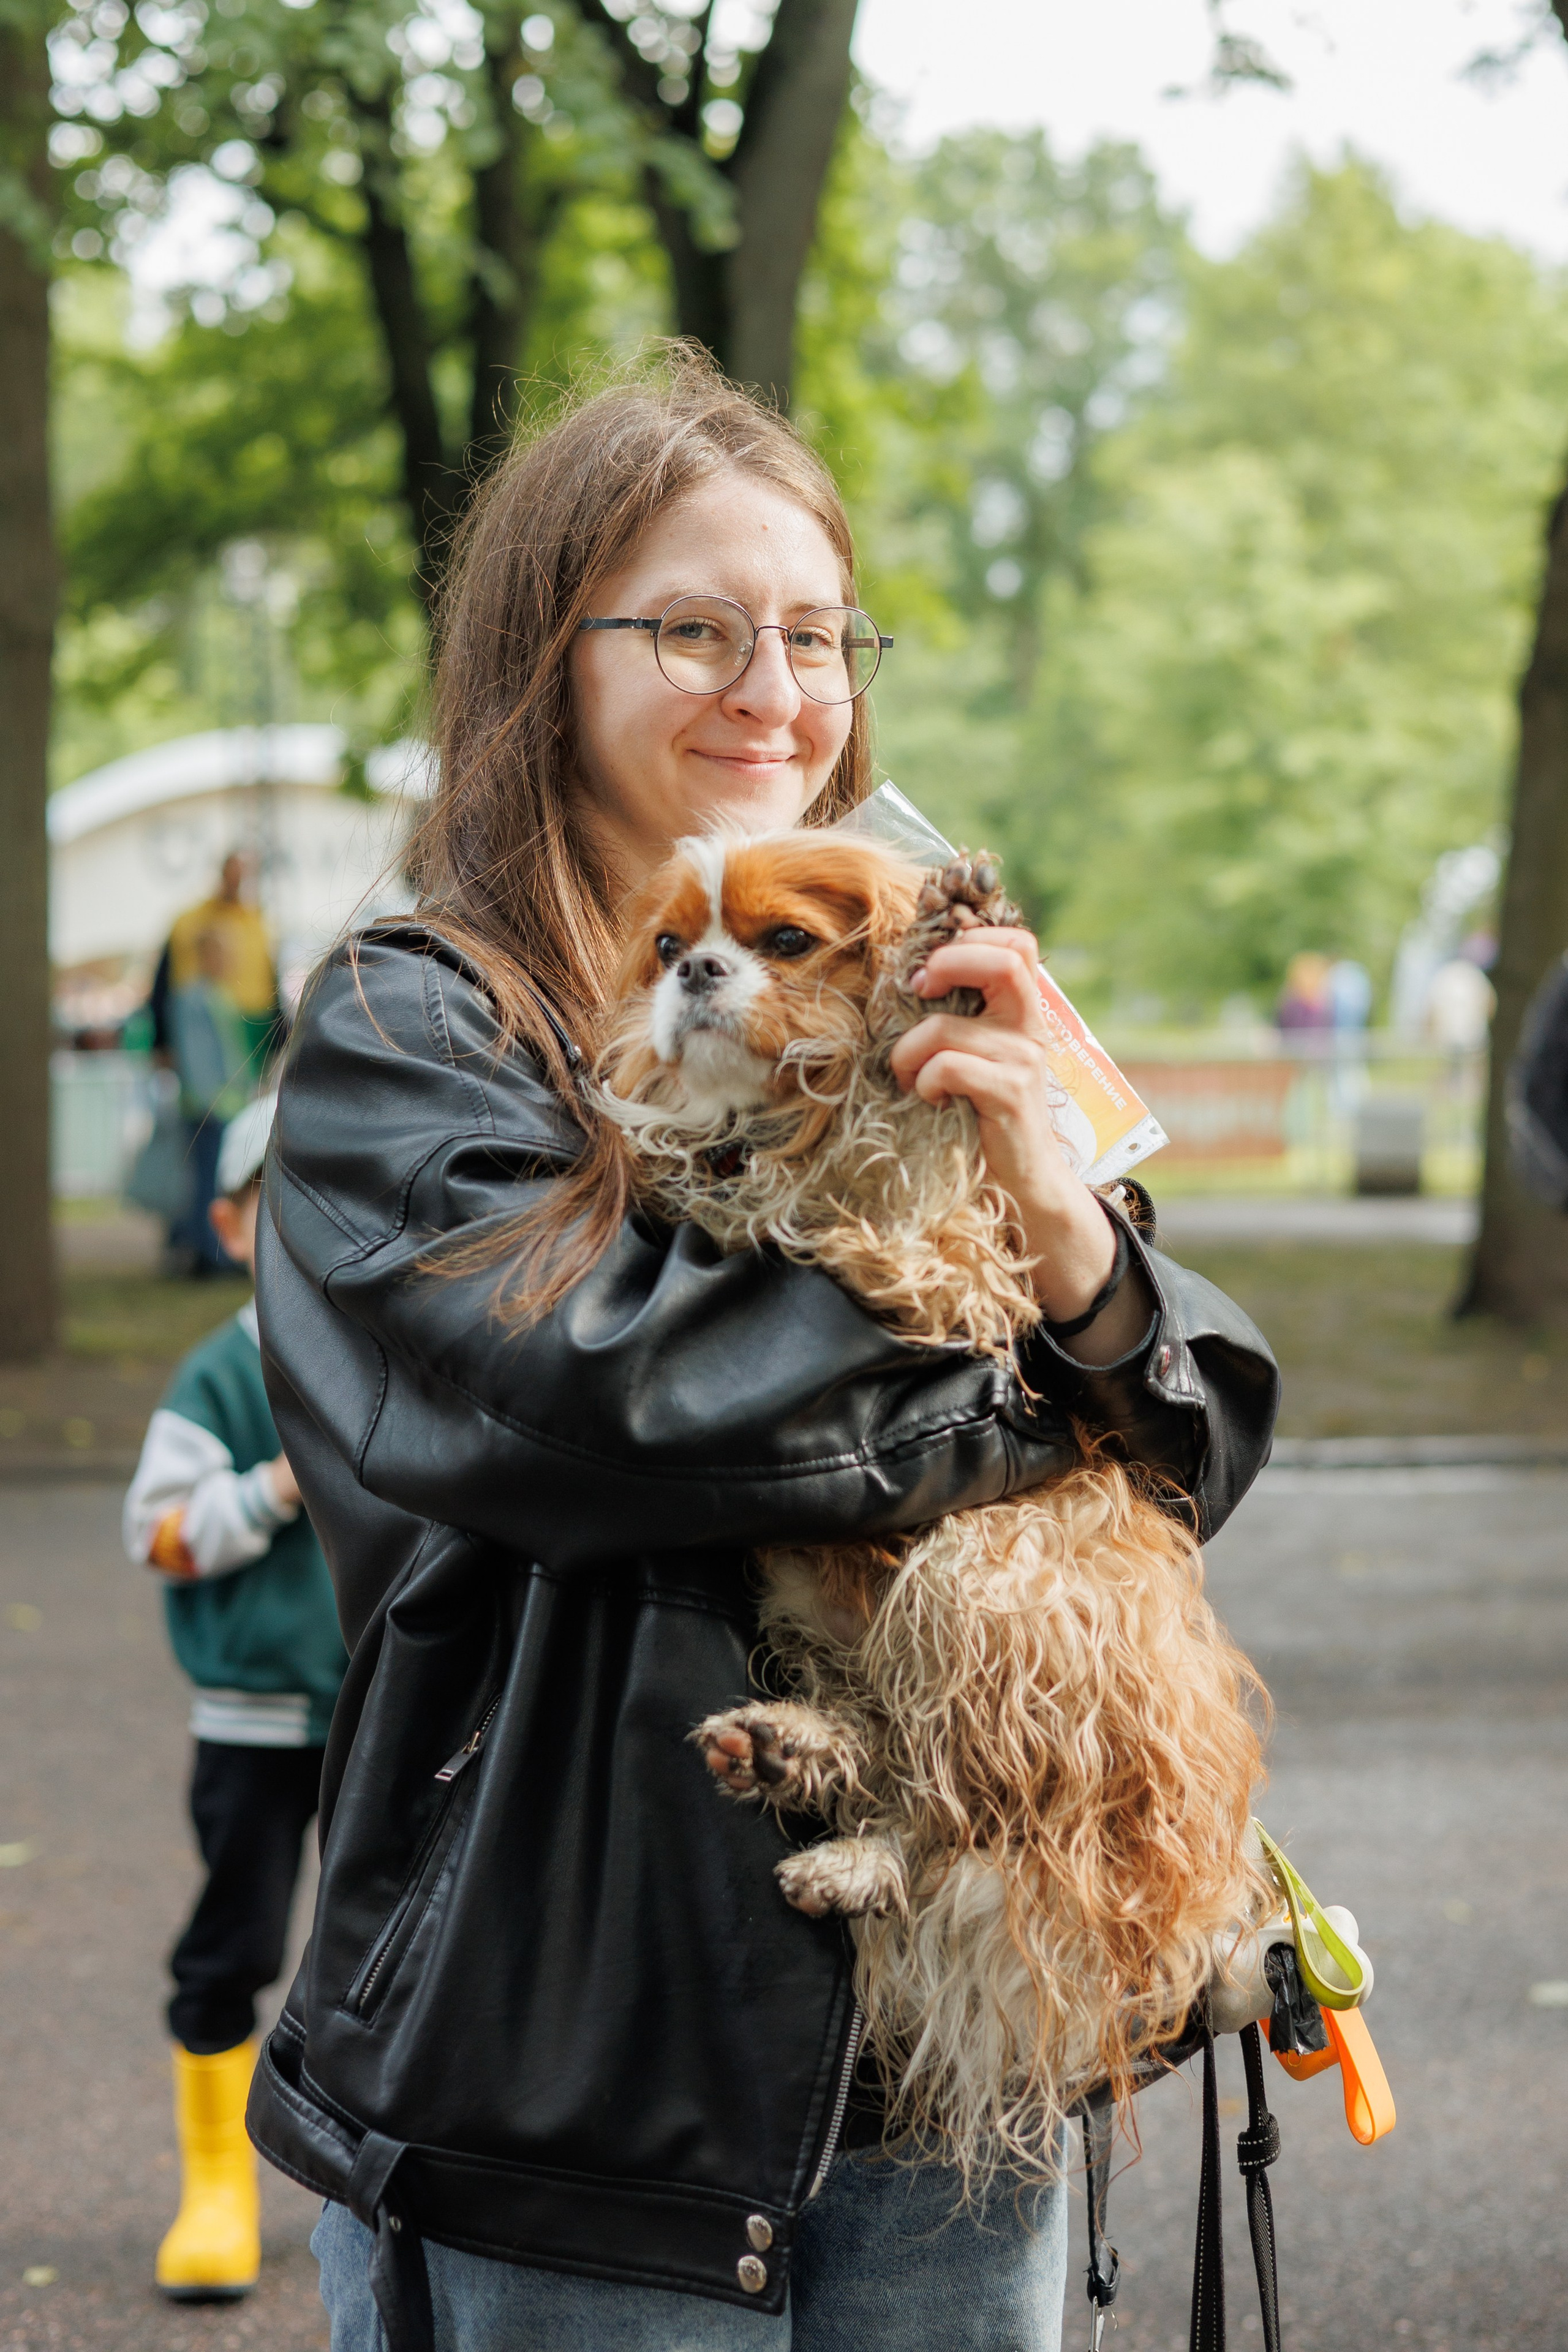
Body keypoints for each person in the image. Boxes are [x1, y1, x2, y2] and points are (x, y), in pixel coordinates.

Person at [247, 354, 1280, 2352]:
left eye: (815, 634)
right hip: (580, 2067)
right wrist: (1049, 1374)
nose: (777, 691)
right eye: (701, 630)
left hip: (947, 2062)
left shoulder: (918, 958)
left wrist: (1070, 1238)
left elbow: (1203, 1415)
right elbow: (624, 1408)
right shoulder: (419, 1023)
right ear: (552, 655)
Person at [124, 1091, 347, 2301]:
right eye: (282, 1206)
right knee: (236, 1945)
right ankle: (216, 2182)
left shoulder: (394, 1352)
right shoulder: (219, 1374)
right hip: (255, 1721)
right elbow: (153, 1532)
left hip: (381, 1718)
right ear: (229, 1225)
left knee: (376, 1958)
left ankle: (364, 2182)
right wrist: (266, 1493)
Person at [148, 855, 284, 1275]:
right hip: (210, 1095)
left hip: (229, 1089)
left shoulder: (257, 928)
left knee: (214, 1168)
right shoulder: (194, 991)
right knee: (205, 1170)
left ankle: (206, 1247)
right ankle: (207, 1251)